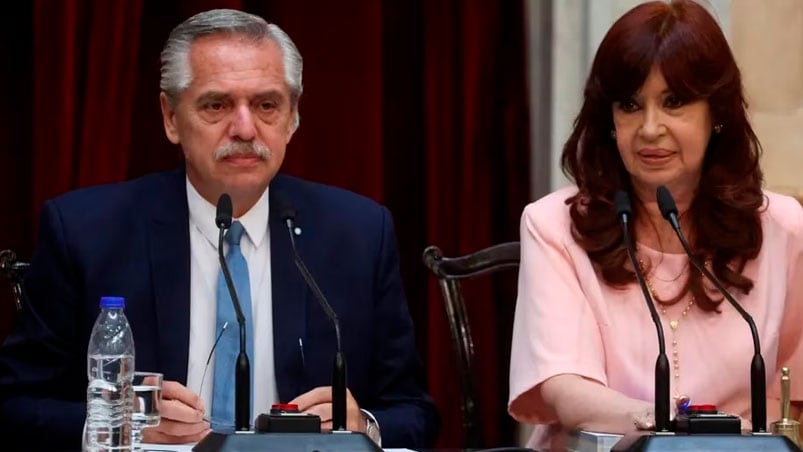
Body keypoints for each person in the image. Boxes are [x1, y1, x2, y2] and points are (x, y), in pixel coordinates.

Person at [0, 9, 438, 449]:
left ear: (292, 118)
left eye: (267, 105)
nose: (246, 129)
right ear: (171, 117)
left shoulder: (358, 233)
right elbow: (15, 406)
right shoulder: (87, 231)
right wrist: (120, 423)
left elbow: (413, 411)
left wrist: (364, 425)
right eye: (216, 105)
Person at [507, 0, 803, 449]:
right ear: (609, 119)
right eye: (629, 105)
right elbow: (562, 387)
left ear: (716, 112)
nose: (649, 128)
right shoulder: (554, 226)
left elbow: (793, 401)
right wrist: (668, 427)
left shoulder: (783, 230)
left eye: (674, 102)